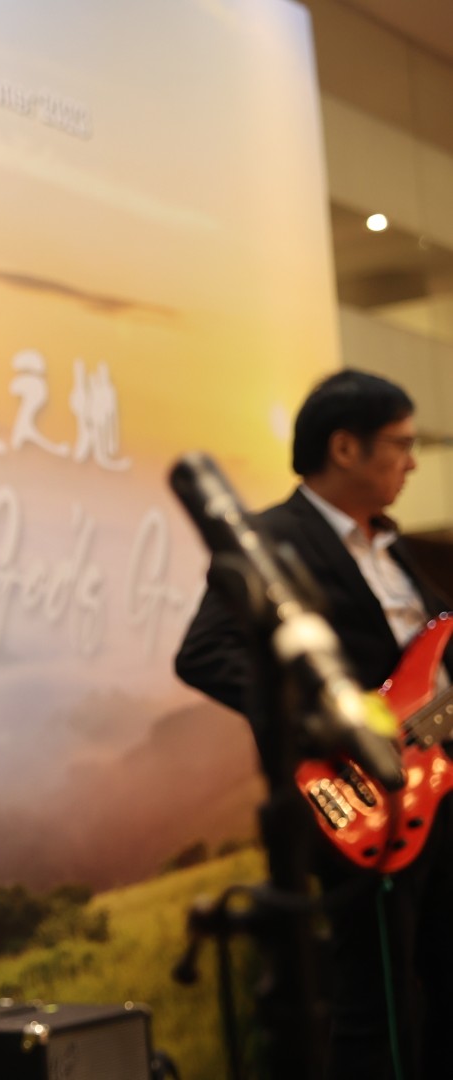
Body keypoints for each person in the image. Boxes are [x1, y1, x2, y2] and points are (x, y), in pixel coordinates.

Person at [176, 369, 453, 1079]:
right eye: (401, 444)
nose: (412, 462)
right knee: (376, 1001)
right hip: (359, 799)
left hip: (433, 796)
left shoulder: (394, 551)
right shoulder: (272, 540)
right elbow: (204, 653)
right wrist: (325, 722)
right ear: (345, 447)